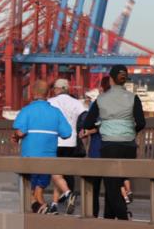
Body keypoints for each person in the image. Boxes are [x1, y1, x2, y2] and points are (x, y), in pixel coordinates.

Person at [13, 80, 72, 214]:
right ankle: (45, 211)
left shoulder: (27, 111)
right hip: (48, 161)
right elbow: (66, 133)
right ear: (48, 93)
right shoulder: (56, 112)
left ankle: (40, 211)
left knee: (27, 191)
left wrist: (17, 136)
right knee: (39, 191)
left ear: (32, 92)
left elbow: (20, 132)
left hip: (30, 159)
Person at [96, 65, 146, 220]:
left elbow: (88, 122)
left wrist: (99, 126)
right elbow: (141, 122)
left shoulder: (101, 99)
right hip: (129, 147)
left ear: (110, 79)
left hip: (109, 146)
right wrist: (130, 132)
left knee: (111, 188)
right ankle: (109, 223)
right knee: (117, 184)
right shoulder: (133, 98)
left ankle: (124, 221)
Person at [47, 78, 86, 213]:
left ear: (57, 89)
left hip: (55, 141)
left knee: (55, 173)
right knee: (61, 172)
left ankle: (67, 194)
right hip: (71, 142)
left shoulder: (51, 102)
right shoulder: (76, 103)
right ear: (68, 89)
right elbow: (84, 118)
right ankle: (54, 203)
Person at [78, 74, 112, 217]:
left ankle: (93, 216)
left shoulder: (97, 103)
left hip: (97, 150)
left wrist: (88, 131)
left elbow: (93, 123)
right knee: (111, 188)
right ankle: (110, 218)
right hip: (112, 150)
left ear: (101, 88)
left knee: (94, 188)